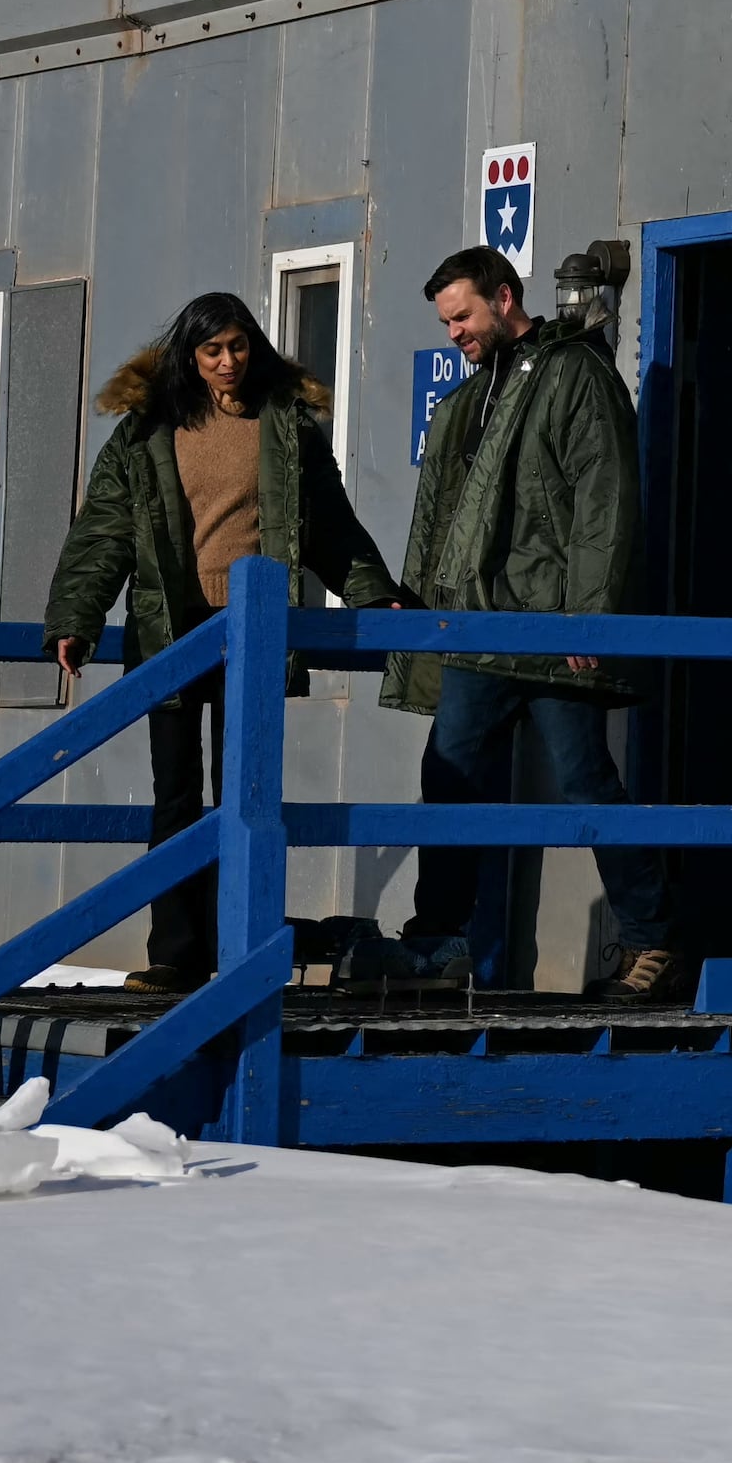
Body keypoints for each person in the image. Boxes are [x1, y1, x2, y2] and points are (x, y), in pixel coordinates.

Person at [41, 289, 397, 990]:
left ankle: (240, 942)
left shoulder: (284, 421)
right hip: (172, 627)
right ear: (191, 355)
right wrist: (76, 618)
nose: (228, 361)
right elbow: (105, 530)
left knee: (246, 792)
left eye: (237, 346)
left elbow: (328, 519)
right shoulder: (148, 427)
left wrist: (369, 588)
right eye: (213, 350)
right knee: (175, 793)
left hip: (254, 633)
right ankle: (176, 953)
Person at [364, 244, 663, 995]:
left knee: (585, 780)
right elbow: (443, 523)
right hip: (479, 630)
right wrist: (423, 612)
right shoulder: (470, 399)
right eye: (445, 321)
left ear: (504, 299)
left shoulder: (576, 376)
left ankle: (652, 937)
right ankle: (437, 938)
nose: (454, 333)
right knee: (449, 773)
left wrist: (588, 621)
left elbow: (606, 502)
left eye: (462, 315)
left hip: (553, 632)